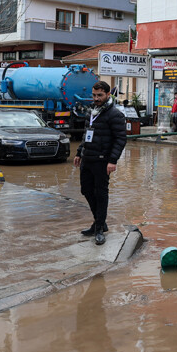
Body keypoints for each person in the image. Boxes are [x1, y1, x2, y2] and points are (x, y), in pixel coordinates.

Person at [74, 81, 127, 245]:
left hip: (102, 161)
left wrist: (112, 160)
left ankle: (98, 229)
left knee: (101, 193)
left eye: (100, 95)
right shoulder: (91, 111)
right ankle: (100, 222)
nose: (96, 98)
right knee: (86, 190)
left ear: (108, 95)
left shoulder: (115, 115)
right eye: (94, 95)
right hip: (87, 158)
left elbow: (120, 139)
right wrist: (79, 152)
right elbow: (86, 134)